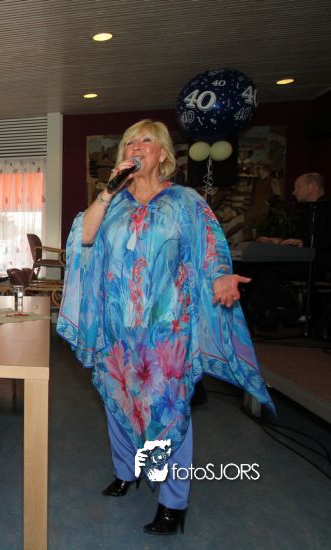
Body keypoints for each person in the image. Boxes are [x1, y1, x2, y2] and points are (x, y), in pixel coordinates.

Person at [55, 120, 273, 536]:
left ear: (163, 154)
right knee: (117, 400)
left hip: (167, 329)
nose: (137, 147)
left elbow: (211, 249)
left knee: (168, 412)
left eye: (146, 141)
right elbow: (83, 238)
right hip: (116, 325)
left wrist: (221, 277)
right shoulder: (112, 202)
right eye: (130, 142)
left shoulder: (185, 202)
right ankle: (126, 471)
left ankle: (173, 502)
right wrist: (107, 191)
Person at [248, 172, 330, 328]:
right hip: (304, 260)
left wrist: (303, 242)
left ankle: (265, 317)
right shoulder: (305, 212)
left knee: (270, 271)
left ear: (312, 187)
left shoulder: (326, 211)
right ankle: (256, 313)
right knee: (258, 266)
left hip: (320, 263)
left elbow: (323, 240)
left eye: (298, 187)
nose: (293, 192)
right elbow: (297, 238)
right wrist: (278, 241)